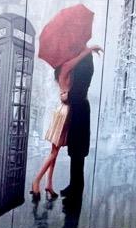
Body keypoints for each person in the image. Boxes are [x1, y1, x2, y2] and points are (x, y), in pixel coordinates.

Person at [29, 44, 100, 201]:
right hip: (65, 113)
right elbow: (74, 62)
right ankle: (36, 181)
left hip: (64, 111)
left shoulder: (62, 70)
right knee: (54, 151)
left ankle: (48, 184)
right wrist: (88, 50)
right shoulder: (66, 68)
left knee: (55, 150)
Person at [60, 44, 102, 226]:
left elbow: (78, 91)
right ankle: (72, 186)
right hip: (78, 110)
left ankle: (75, 194)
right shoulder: (84, 59)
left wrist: (65, 97)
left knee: (77, 154)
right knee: (74, 153)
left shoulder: (85, 63)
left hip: (79, 111)